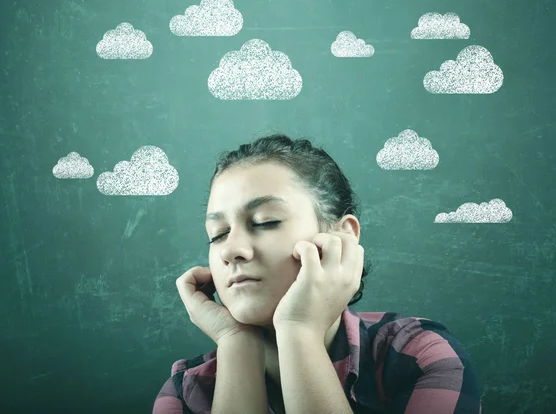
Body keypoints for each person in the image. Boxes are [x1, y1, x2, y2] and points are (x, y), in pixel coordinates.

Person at [152, 133, 483, 414]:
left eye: (266, 221)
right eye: (218, 233)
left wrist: (300, 330)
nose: (229, 250)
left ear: (343, 238)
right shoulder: (186, 394)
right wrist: (236, 344)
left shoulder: (420, 355)